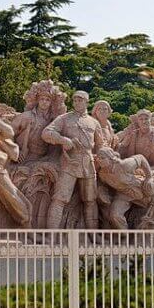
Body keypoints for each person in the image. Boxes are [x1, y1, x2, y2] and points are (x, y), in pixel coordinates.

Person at [42, 90, 103, 228]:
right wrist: (63, 140)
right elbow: (46, 133)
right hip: (69, 162)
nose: (76, 102)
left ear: (87, 102)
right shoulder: (64, 118)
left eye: (80, 99)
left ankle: (92, 237)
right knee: (59, 199)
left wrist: (104, 157)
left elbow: (100, 145)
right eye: (75, 99)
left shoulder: (94, 123)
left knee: (90, 200)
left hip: (88, 164)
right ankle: (51, 236)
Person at [11, 80, 66, 163]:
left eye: (48, 100)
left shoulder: (55, 121)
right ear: (37, 100)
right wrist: (14, 150)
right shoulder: (26, 116)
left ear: (51, 103)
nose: (44, 102)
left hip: (41, 159)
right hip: (20, 156)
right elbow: (9, 133)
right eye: (42, 99)